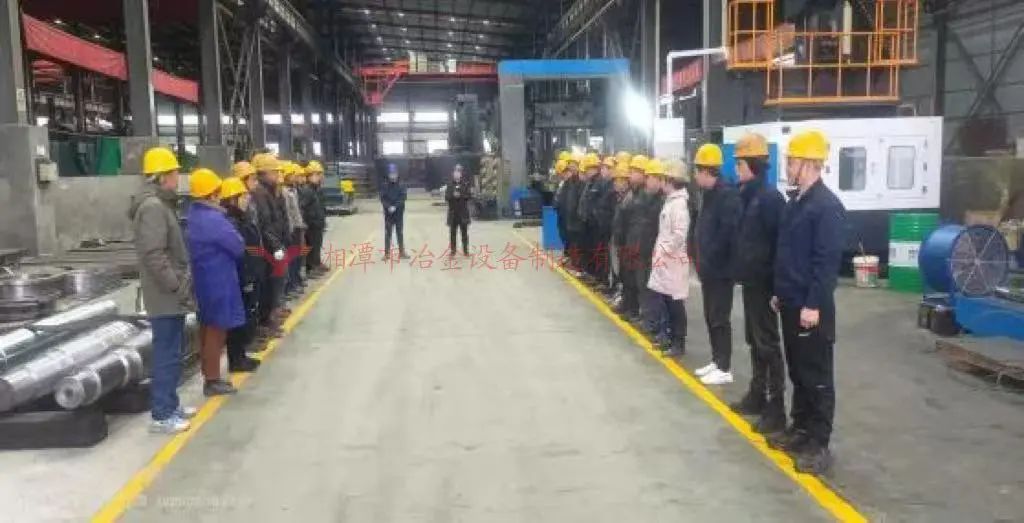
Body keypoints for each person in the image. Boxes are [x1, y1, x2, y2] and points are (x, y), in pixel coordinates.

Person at [766, 130, 845, 475]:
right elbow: (788, 254)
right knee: (798, 370)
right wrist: (780, 292)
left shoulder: (826, 207)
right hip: (791, 302)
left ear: (810, 164)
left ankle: (819, 442)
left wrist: (813, 304)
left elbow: (825, 264)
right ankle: (800, 429)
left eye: (792, 162)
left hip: (811, 308)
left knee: (816, 375)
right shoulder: (796, 203)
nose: (788, 167)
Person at [130, 147, 196, 434]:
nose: (177, 177)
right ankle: (161, 414)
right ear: (161, 176)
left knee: (173, 351)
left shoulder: (161, 204)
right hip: (165, 294)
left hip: (171, 293)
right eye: (174, 172)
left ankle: (170, 404)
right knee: (166, 353)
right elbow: (154, 254)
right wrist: (175, 284)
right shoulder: (153, 208)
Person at [728, 133, 788, 434]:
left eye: (740, 164)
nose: (736, 169)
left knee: (768, 344)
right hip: (751, 282)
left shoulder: (770, 199)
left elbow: (780, 246)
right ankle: (757, 394)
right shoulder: (747, 196)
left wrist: (777, 288)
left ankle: (776, 407)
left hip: (765, 284)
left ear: (753, 165)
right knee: (754, 340)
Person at [186, 169, 244, 396]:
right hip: (217, 279)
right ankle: (212, 379)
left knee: (208, 327)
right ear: (211, 194)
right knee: (216, 330)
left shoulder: (194, 216)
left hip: (205, 278)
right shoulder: (213, 219)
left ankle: (209, 375)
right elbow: (237, 245)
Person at [692, 143, 742, 386]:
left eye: (696, 171)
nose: (694, 176)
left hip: (721, 271)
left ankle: (724, 367)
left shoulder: (727, 195)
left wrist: (710, 256)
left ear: (706, 171)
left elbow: (726, 235)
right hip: (708, 269)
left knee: (720, 318)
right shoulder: (708, 194)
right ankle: (716, 359)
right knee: (710, 315)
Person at [648, 159, 691, 357]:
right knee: (666, 300)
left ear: (670, 180)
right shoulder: (671, 201)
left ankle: (678, 342)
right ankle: (671, 339)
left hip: (672, 261)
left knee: (675, 304)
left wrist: (664, 250)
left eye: (663, 178)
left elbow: (679, 235)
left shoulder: (679, 205)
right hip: (665, 260)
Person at [220, 176, 263, 373]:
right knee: (239, 318)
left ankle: (240, 355)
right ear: (232, 199)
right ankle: (236, 359)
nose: (247, 200)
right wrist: (246, 278)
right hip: (240, 276)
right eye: (242, 197)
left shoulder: (241, 219)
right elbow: (239, 252)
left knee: (246, 314)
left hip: (248, 273)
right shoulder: (231, 223)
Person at [249, 153, 289, 337]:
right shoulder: (260, 194)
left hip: (274, 244)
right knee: (267, 287)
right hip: (268, 248)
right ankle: (265, 321)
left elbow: (277, 220)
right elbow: (265, 224)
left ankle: (269, 317)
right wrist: (276, 246)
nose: (277, 175)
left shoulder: (271, 192)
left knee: (274, 284)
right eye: (273, 172)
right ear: (263, 174)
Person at [632, 158, 667, 340]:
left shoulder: (663, 201)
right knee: (644, 285)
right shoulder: (646, 198)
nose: (647, 181)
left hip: (655, 252)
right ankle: (648, 320)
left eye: (650, 178)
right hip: (644, 249)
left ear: (659, 179)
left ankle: (655, 324)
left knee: (656, 291)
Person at [614, 154, 649, 321]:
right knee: (627, 276)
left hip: (637, 244)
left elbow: (641, 224)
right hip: (627, 241)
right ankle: (629, 305)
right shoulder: (631, 193)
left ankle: (637, 310)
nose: (631, 174)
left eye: (635, 171)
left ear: (643, 174)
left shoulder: (644, 195)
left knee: (638, 280)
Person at [592, 156, 619, 294]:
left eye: (607, 168)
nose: (603, 170)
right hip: (604, 228)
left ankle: (613, 286)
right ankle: (609, 283)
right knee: (608, 258)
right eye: (602, 168)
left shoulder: (613, 188)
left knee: (615, 262)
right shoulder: (603, 184)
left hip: (611, 230)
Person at [555, 154, 585, 275]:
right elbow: (565, 199)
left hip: (577, 219)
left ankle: (578, 266)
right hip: (569, 217)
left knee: (577, 244)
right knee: (572, 242)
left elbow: (581, 201)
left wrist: (579, 215)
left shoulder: (581, 182)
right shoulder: (569, 182)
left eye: (574, 165)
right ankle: (573, 263)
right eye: (570, 165)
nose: (571, 167)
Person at [280, 162, 307, 296]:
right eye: (292, 175)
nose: (295, 177)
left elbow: (296, 211)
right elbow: (287, 213)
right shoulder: (284, 192)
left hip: (297, 228)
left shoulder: (293, 190)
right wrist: (290, 229)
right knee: (291, 259)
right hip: (290, 230)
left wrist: (300, 224)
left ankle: (295, 281)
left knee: (297, 258)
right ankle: (290, 285)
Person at [608, 160, 632, 306]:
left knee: (626, 273)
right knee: (619, 269)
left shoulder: (629, 199)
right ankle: (622, 295)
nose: (615, 184)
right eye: (615, 180)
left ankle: (628, 300)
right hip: (619, 240)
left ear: (626, 182)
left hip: (626, 242)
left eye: (619, 180)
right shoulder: (620, 198)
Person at [575, 153, 602, 281]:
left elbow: (599, 204)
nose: (586, 172)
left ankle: (596, 276)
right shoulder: (590, 183)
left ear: (594, 168)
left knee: (596, 250)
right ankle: (590, 273)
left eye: (588, 169)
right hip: (587, 223)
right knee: (588, 249)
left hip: (595, 225)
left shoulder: (599, 183)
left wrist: (593, 216)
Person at [302, 161, 329, 275]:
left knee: (317, 244)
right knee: (312, 246)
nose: (320, 177)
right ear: (310, 176)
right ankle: (311, 267)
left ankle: (317, 262)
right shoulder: (307, 191)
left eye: (320, 174)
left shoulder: (316, 189)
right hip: (311, 224)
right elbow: (303, 208)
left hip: (317, 223)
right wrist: (307, 222)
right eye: (317, 174)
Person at [380, 164, 408, 259]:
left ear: (397, 174)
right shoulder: (384, 185)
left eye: (394, 174)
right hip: (388, 214)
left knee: (399, 232)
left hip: (399, 213)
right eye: (391, 174)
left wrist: (395, 206)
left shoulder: (402, 185)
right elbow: (382, 198)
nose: (393, 176)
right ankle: (387, 254)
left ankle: (402, 252)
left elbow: (403, 197)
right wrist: (388, 207)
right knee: (388, 233)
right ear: (388, 175)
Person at [445, 164, 473, 256]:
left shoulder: (465, 184)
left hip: (463, 212)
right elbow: (446, 197)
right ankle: (453, 251)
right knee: (453, 233)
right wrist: (452, 196)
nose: (457, 173)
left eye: (459, 171)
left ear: (461, 173)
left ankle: (465, 250)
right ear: (453, 173)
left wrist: (460, 195)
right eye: (455, 171)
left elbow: (469, 196)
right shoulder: (449, 184)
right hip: (453, 212)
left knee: (464, 233)